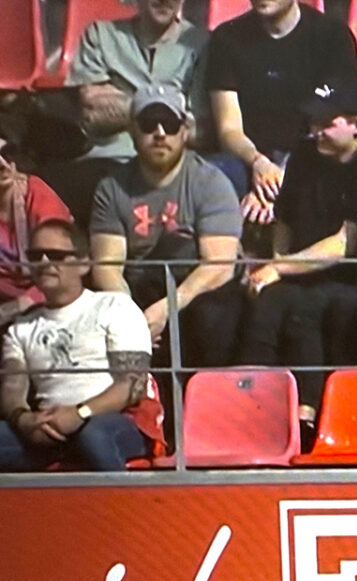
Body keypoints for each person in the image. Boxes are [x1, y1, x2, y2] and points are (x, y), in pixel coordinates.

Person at [237, 79, 357, 441]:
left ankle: (307, 411)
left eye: (326, 122)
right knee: (266, 302)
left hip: (350, 274)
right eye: (313, 122)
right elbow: (285, 220)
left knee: (310, 306)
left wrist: (279, 267)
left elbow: (347, 242)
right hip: (298, 268)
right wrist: (276, 264)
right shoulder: (304, 155)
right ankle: (250, 406)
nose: (316, 130)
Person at [89, 84, 244, 372]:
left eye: (170, 124)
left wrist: (166, 308)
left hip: (197, 288)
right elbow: (106, 267)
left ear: (185, 131)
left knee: (211, 317)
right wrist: (132, 320)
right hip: (139, 287)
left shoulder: (211, 182)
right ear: (132, 131)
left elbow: (219, 266)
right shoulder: (112, 188)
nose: (160, 133)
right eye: (149, 124)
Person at [0, 220, 160, 471]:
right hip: (49, 427)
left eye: (55, 255)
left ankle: (120, 497)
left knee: (93, 436)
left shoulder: (115, 307)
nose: (44, 262)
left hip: (115, 420)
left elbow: (132, 385)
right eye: (35, 256)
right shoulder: (21, 327)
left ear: (84, 264)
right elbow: (13, 386)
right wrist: (25, 420)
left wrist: (80, 413)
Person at [50, 0, 208, 225]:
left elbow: (202, 130)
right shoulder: (101, 36)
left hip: (175, 167)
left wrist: (124, 104)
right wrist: (170, 110)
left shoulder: (203, 45)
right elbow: (93, 110)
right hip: (108, 161)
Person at [204, 0, 357, 213]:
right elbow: (229, 130)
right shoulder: (227, 39)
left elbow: (335, 127)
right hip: (251, 159)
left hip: (313, 158)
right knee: (217, 174)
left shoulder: (333, 37)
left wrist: (283, 181)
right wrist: (259, 165)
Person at [0, 138, 71, 330]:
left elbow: (61, 268)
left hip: (46, 300)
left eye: (7, 154)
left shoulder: (36, 193)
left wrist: (18, 305)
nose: (3, 165)